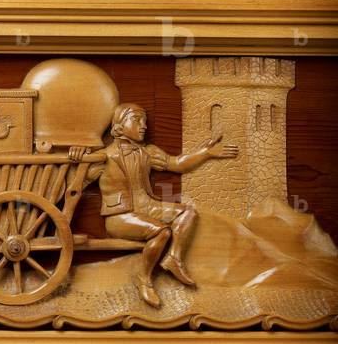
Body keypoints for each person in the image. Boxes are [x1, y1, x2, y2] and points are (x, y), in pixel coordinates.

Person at [72, 103, 239, 308]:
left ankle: (173, 258)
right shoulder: (103, 157)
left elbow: (177, 164)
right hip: (120, 216)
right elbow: (75, 185)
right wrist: (77, 158)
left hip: (148, 207)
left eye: (144, 121)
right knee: (162, 232)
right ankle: (144, 279)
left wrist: (205, 153)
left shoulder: (148, 152)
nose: (144, 126)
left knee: (187, 213)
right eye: (136, 120)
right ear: (119, 126)